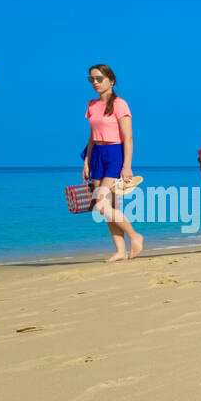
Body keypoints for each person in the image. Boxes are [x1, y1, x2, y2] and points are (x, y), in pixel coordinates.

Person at [82, 64, 142, 261]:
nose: (96, 83)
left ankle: (135, 236)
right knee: (108, 206)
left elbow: (128, 137)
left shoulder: (120, 104)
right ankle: (120, 251)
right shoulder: (92, 105)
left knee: (100, 205)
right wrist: (87, 162)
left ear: (111, 80)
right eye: (92, 79)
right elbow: (91, 137)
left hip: (115, 153)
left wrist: (127, 166)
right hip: (97, 154)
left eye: (99, 78)